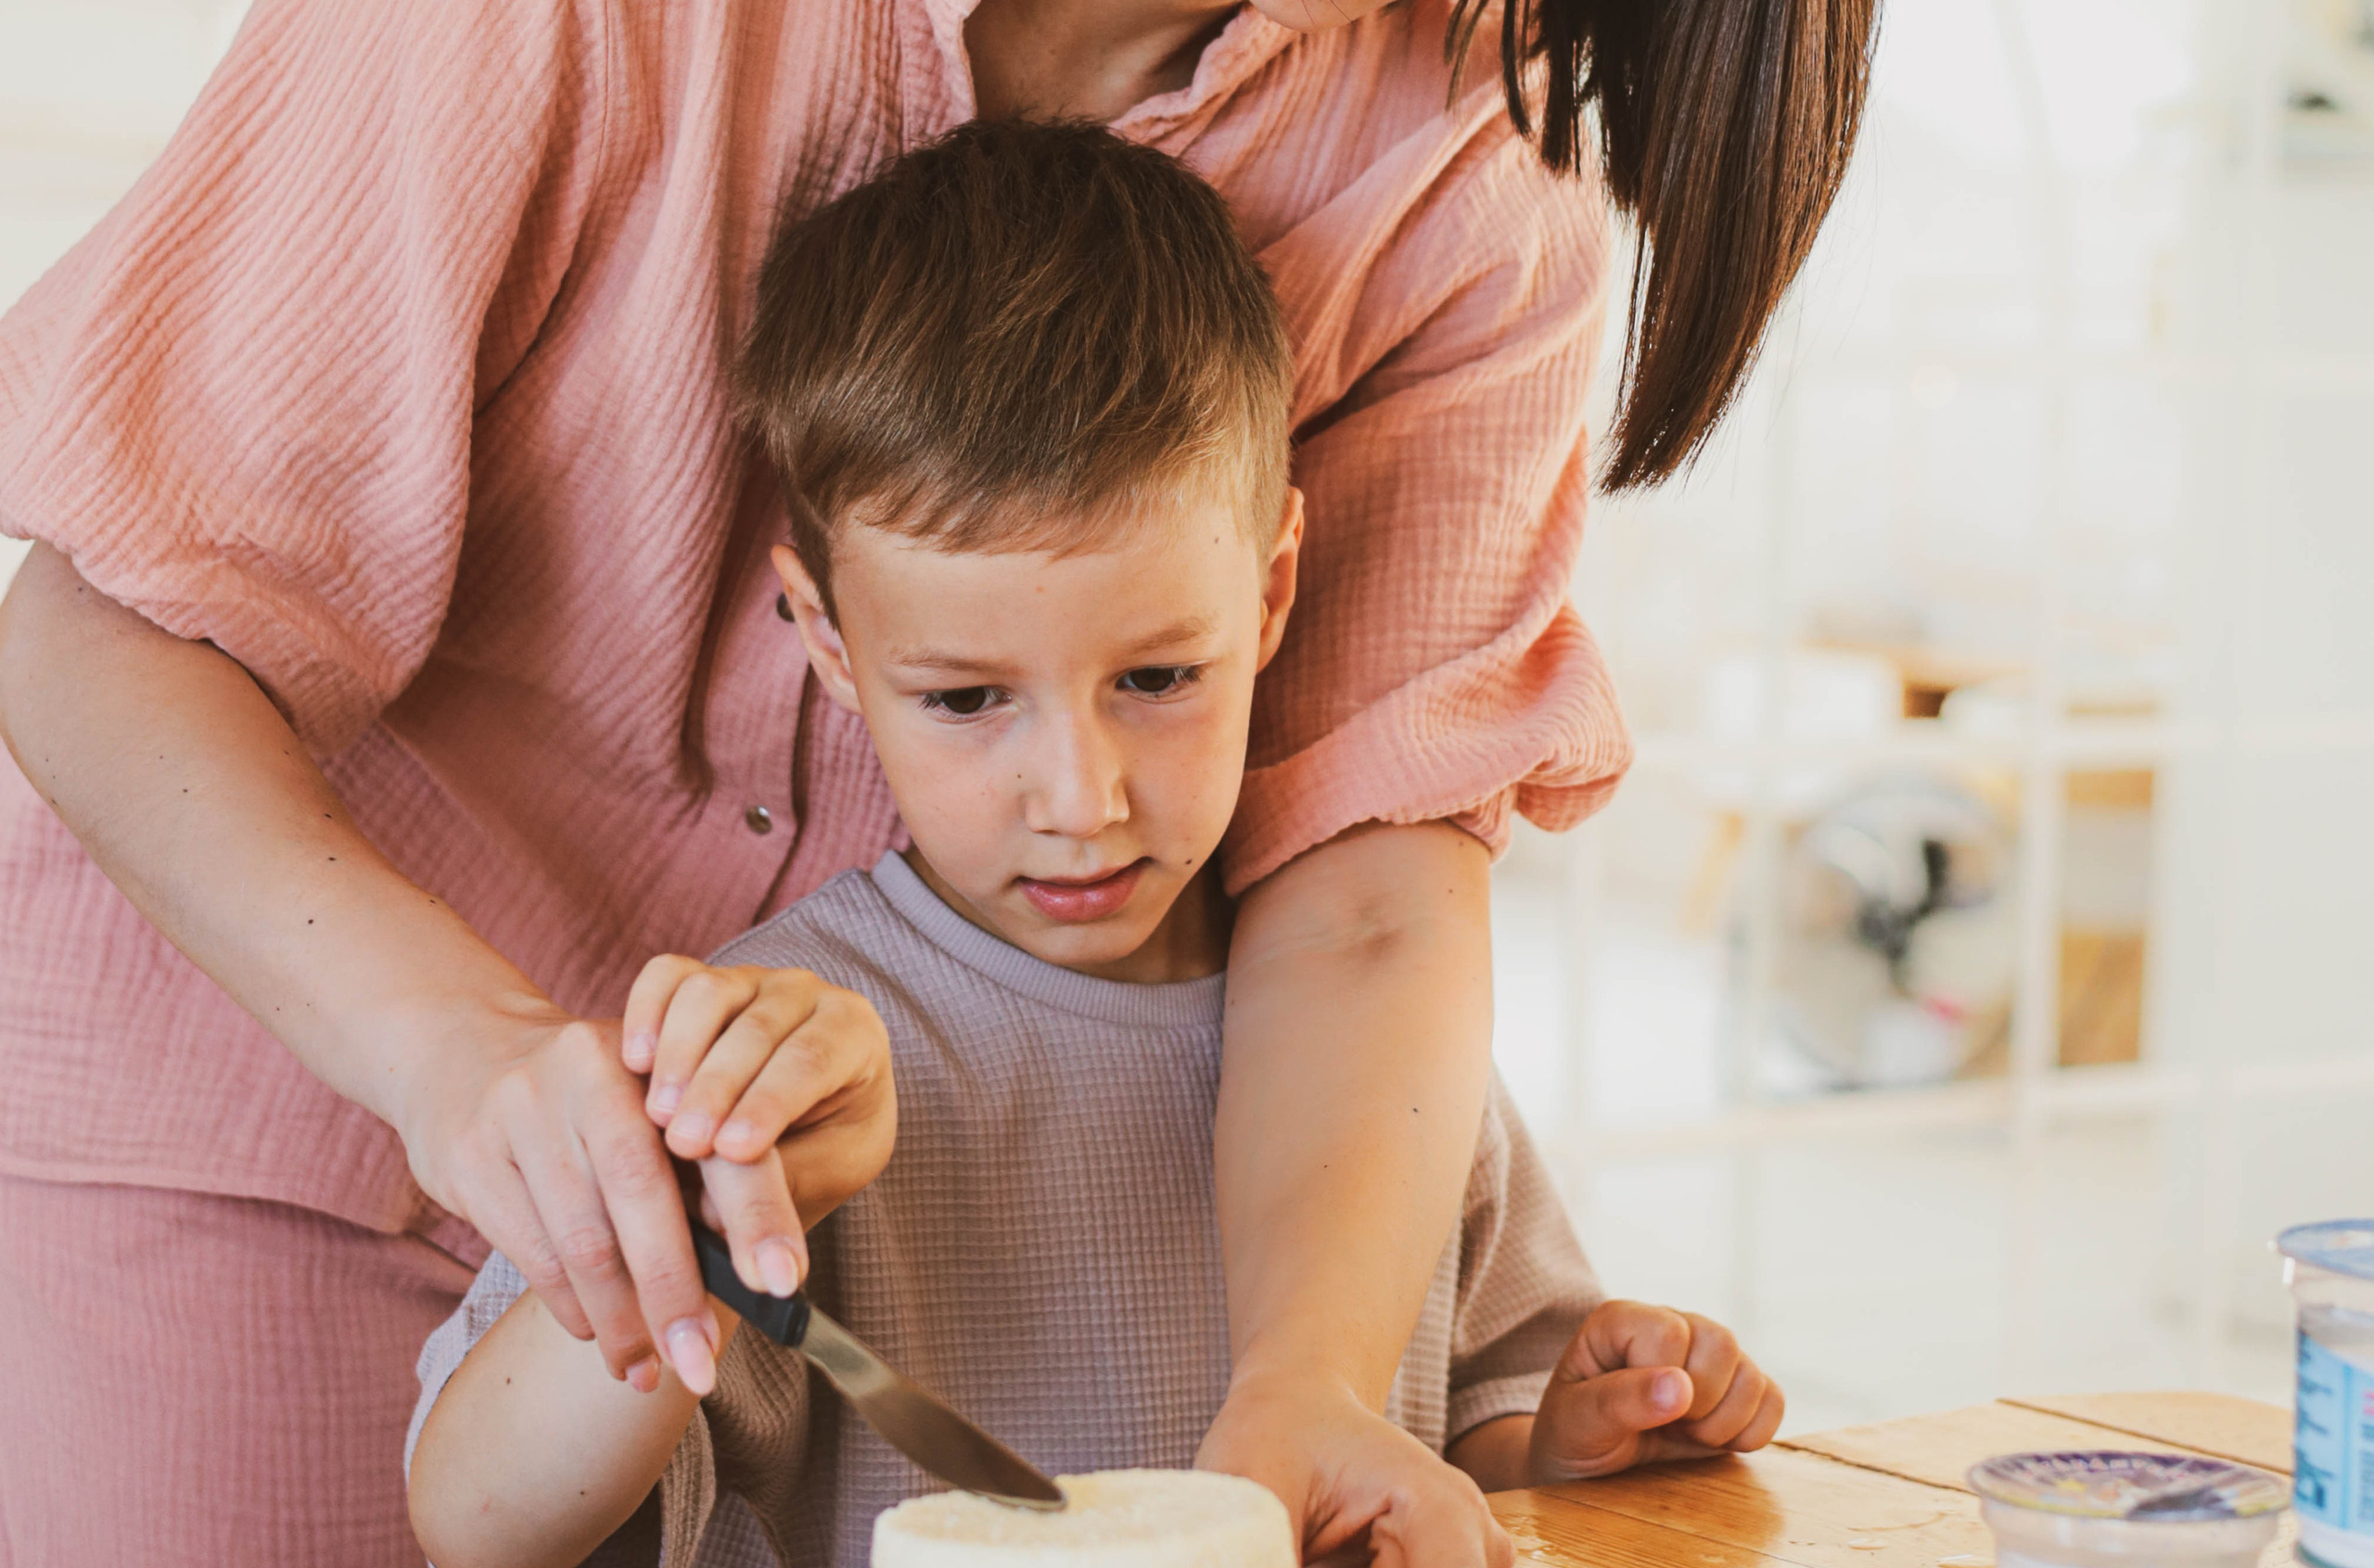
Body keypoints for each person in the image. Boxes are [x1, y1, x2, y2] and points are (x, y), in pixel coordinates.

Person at [0, 0, 1910, 1560]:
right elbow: (102, 619)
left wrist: (1304, 1378)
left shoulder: (1467, 186)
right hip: (268, 1126)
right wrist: (473, 1066)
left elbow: (1369, 872)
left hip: (830, 1282)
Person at [404, 120, 1783, 1568]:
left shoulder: (1371, 1049)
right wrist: (699, 1210)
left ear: (1270, 594)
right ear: (827, 637)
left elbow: (1461, 1432)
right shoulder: (770, 1061)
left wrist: (1566, 1449)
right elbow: (480, 1520)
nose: (1081, 795)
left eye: (1157, 679)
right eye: (965, 699)